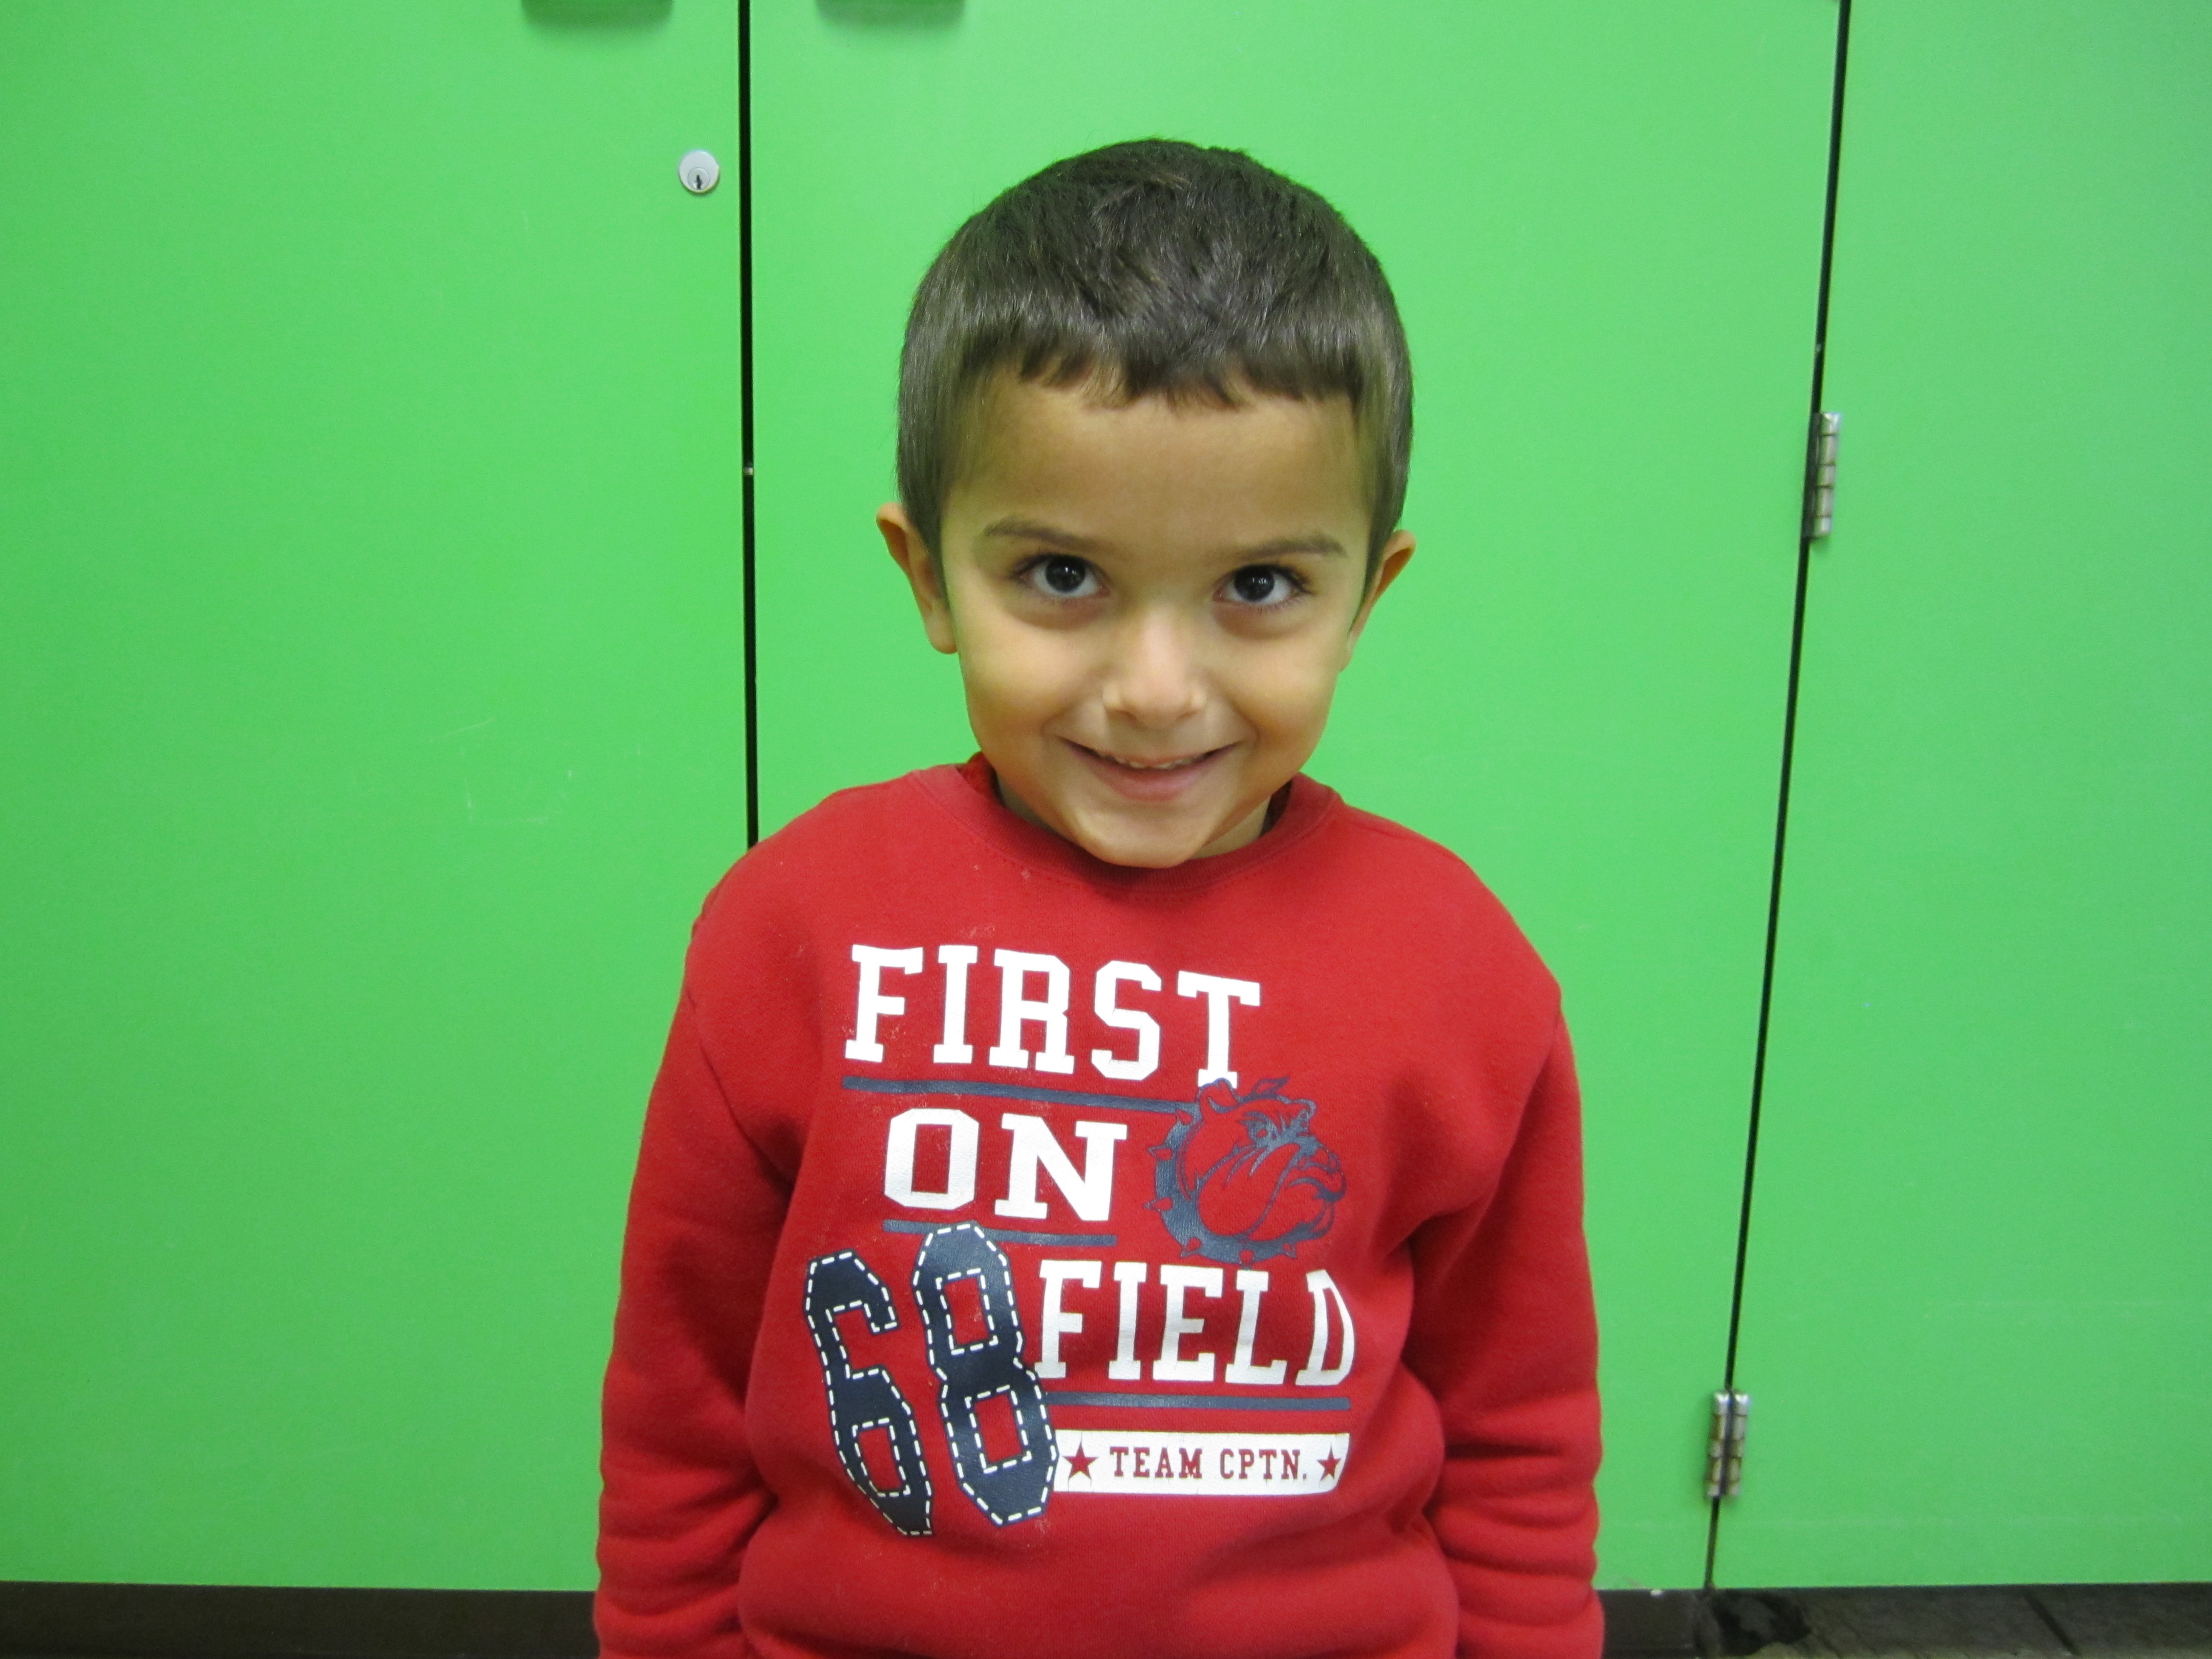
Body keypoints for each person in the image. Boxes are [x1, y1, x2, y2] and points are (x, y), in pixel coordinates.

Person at [594, 139, 1601, 1659]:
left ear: (1366, 596)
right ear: (929, 577)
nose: (1156, 690)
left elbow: (1520, 1434)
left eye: (1260, 587)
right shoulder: (790, 927)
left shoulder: (1463, 970)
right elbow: (680, 1402)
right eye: (1063, 575)